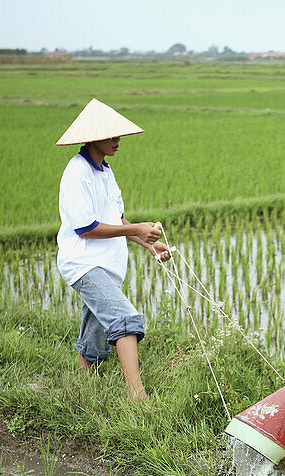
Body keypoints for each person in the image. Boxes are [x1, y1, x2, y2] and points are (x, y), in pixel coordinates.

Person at [55, 98, 172, 401]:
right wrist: (135, 229)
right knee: (125, 319)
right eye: (111, 135)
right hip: (85, 264)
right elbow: (87, 228)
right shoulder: (77, 173)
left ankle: (80, 392)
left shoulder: (105, 171)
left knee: (95, 336)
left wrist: (148, 243)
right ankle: (138, 396)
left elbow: (116, 219)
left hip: (107, 266)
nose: (118, 140)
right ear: (93, 138)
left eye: (119, 134)